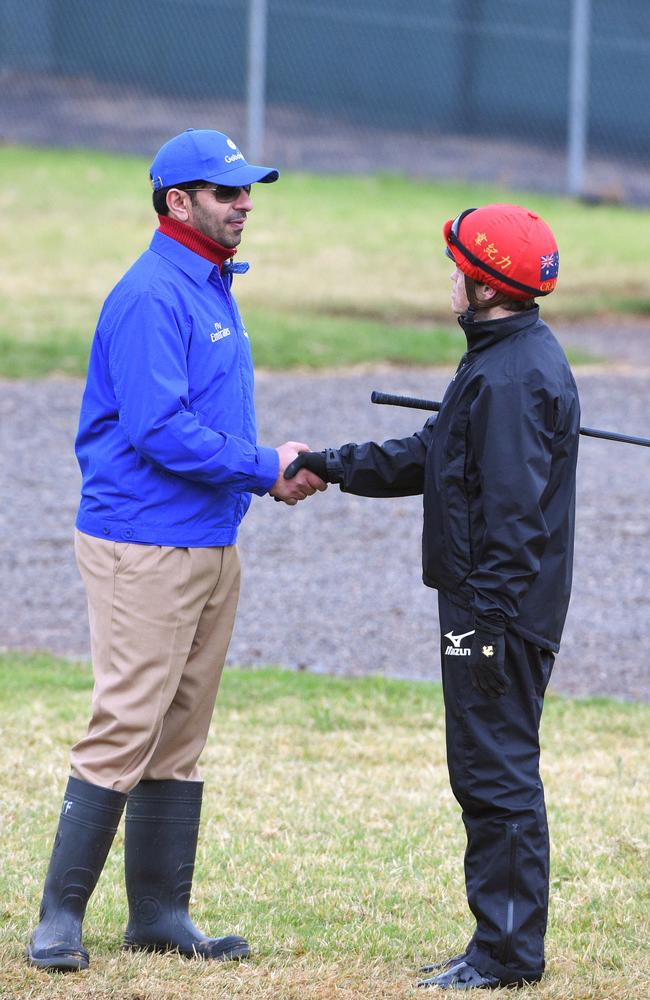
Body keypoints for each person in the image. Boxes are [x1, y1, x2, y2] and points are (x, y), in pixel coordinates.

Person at [27, 128, 326, 972]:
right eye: (227, 191)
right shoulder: (153, 294)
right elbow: (160, 430)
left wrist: (263, 473)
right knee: (127, 719)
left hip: (208, 539)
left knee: (181, 729)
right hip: (142, 543)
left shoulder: (212, 284)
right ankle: (59, 918)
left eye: (247, 190)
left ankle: (159, 913)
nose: (245, 203)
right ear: (177, 202)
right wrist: (264, 468)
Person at [286, 204, 580, 990]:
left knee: (496, 773)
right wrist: (329, 463)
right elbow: (435, 455)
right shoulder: (500, 361)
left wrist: (484, 625)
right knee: (483, 768)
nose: (450, 278)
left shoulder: (512, 379)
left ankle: (507, 954)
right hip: (491, 607)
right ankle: (497, 943)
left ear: (485, 287)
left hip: (500, 613)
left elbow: (515, 526)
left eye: (459, 268)